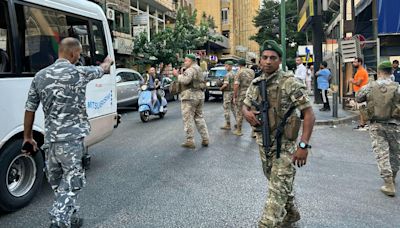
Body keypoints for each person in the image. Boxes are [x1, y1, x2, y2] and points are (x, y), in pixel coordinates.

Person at [22, 37, 113, 228]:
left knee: (59, 184)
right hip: (71, 141)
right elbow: (103, 69)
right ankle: (58, 219)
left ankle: (71, 217)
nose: (79, 57)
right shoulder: (79, 72)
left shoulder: (40, 76)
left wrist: (28, 137)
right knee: (72, 182)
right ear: (73, 53)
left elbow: (30, 108)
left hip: (51, 141)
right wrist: (108, 61)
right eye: (79, 54)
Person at [242, 40, 315, 227]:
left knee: (275, 194)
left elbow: (308, 114)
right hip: (265, 144)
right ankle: (291, 213)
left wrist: (303, 146)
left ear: (280, 60)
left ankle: (267, 223)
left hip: (286, 148)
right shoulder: (257, 83)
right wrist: (247, 113)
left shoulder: (290, 83)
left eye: (272, 58)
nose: (268, 61)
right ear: (259, 60)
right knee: (276, 182)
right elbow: (245, 104)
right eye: (264, 58)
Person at [356, 61, 400, 197]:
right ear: (391, 72)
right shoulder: (397, 87)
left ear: (379, 72)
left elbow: (358, 97)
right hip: (395, 124)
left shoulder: (370, 86)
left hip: (377, 124)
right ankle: (392, 178)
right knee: (395, 152)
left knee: (382, 154)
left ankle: (388, 184)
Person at [173, 54, 209, 149]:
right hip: (200, 95)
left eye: (186, 61)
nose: (185, 62)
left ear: (191, 61)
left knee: (188, 118)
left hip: (190, 96)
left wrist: (177, 75)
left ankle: (190, 140)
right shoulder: (199, 69)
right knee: (199, 117)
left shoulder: (190, 70)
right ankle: (205, 138)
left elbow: (185, 81)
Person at [233, 58, 255, 136]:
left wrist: (234, 96)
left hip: (242, 94)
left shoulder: (239, 72)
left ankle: (239, 130)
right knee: (251, 112)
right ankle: (254, 132)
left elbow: (236, 85)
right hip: (251, 93)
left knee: (239, 112)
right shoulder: (252, 71)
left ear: (239, 65)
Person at [350, 57, 369, 130]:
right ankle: (362, 124)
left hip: (361, 92)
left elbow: (358, 83)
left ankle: (363, 124)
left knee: (362, 109)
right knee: (361, 109)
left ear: (360, 63)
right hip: (360, 92)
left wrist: (352, 81)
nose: (353, 63)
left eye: (355, 62)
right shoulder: (359, 71)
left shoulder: (361, 71)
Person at [220, 61, 237, 130]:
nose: (225, 67)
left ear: (230, 66)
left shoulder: (228, 75)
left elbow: (225, 84)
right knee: (234, 108)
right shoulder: (234, 74)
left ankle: (228, 124)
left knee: (226, 108)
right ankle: (238, 122)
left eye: (226, 66)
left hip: (227, 93)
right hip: (233, 92)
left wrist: (221, 88)